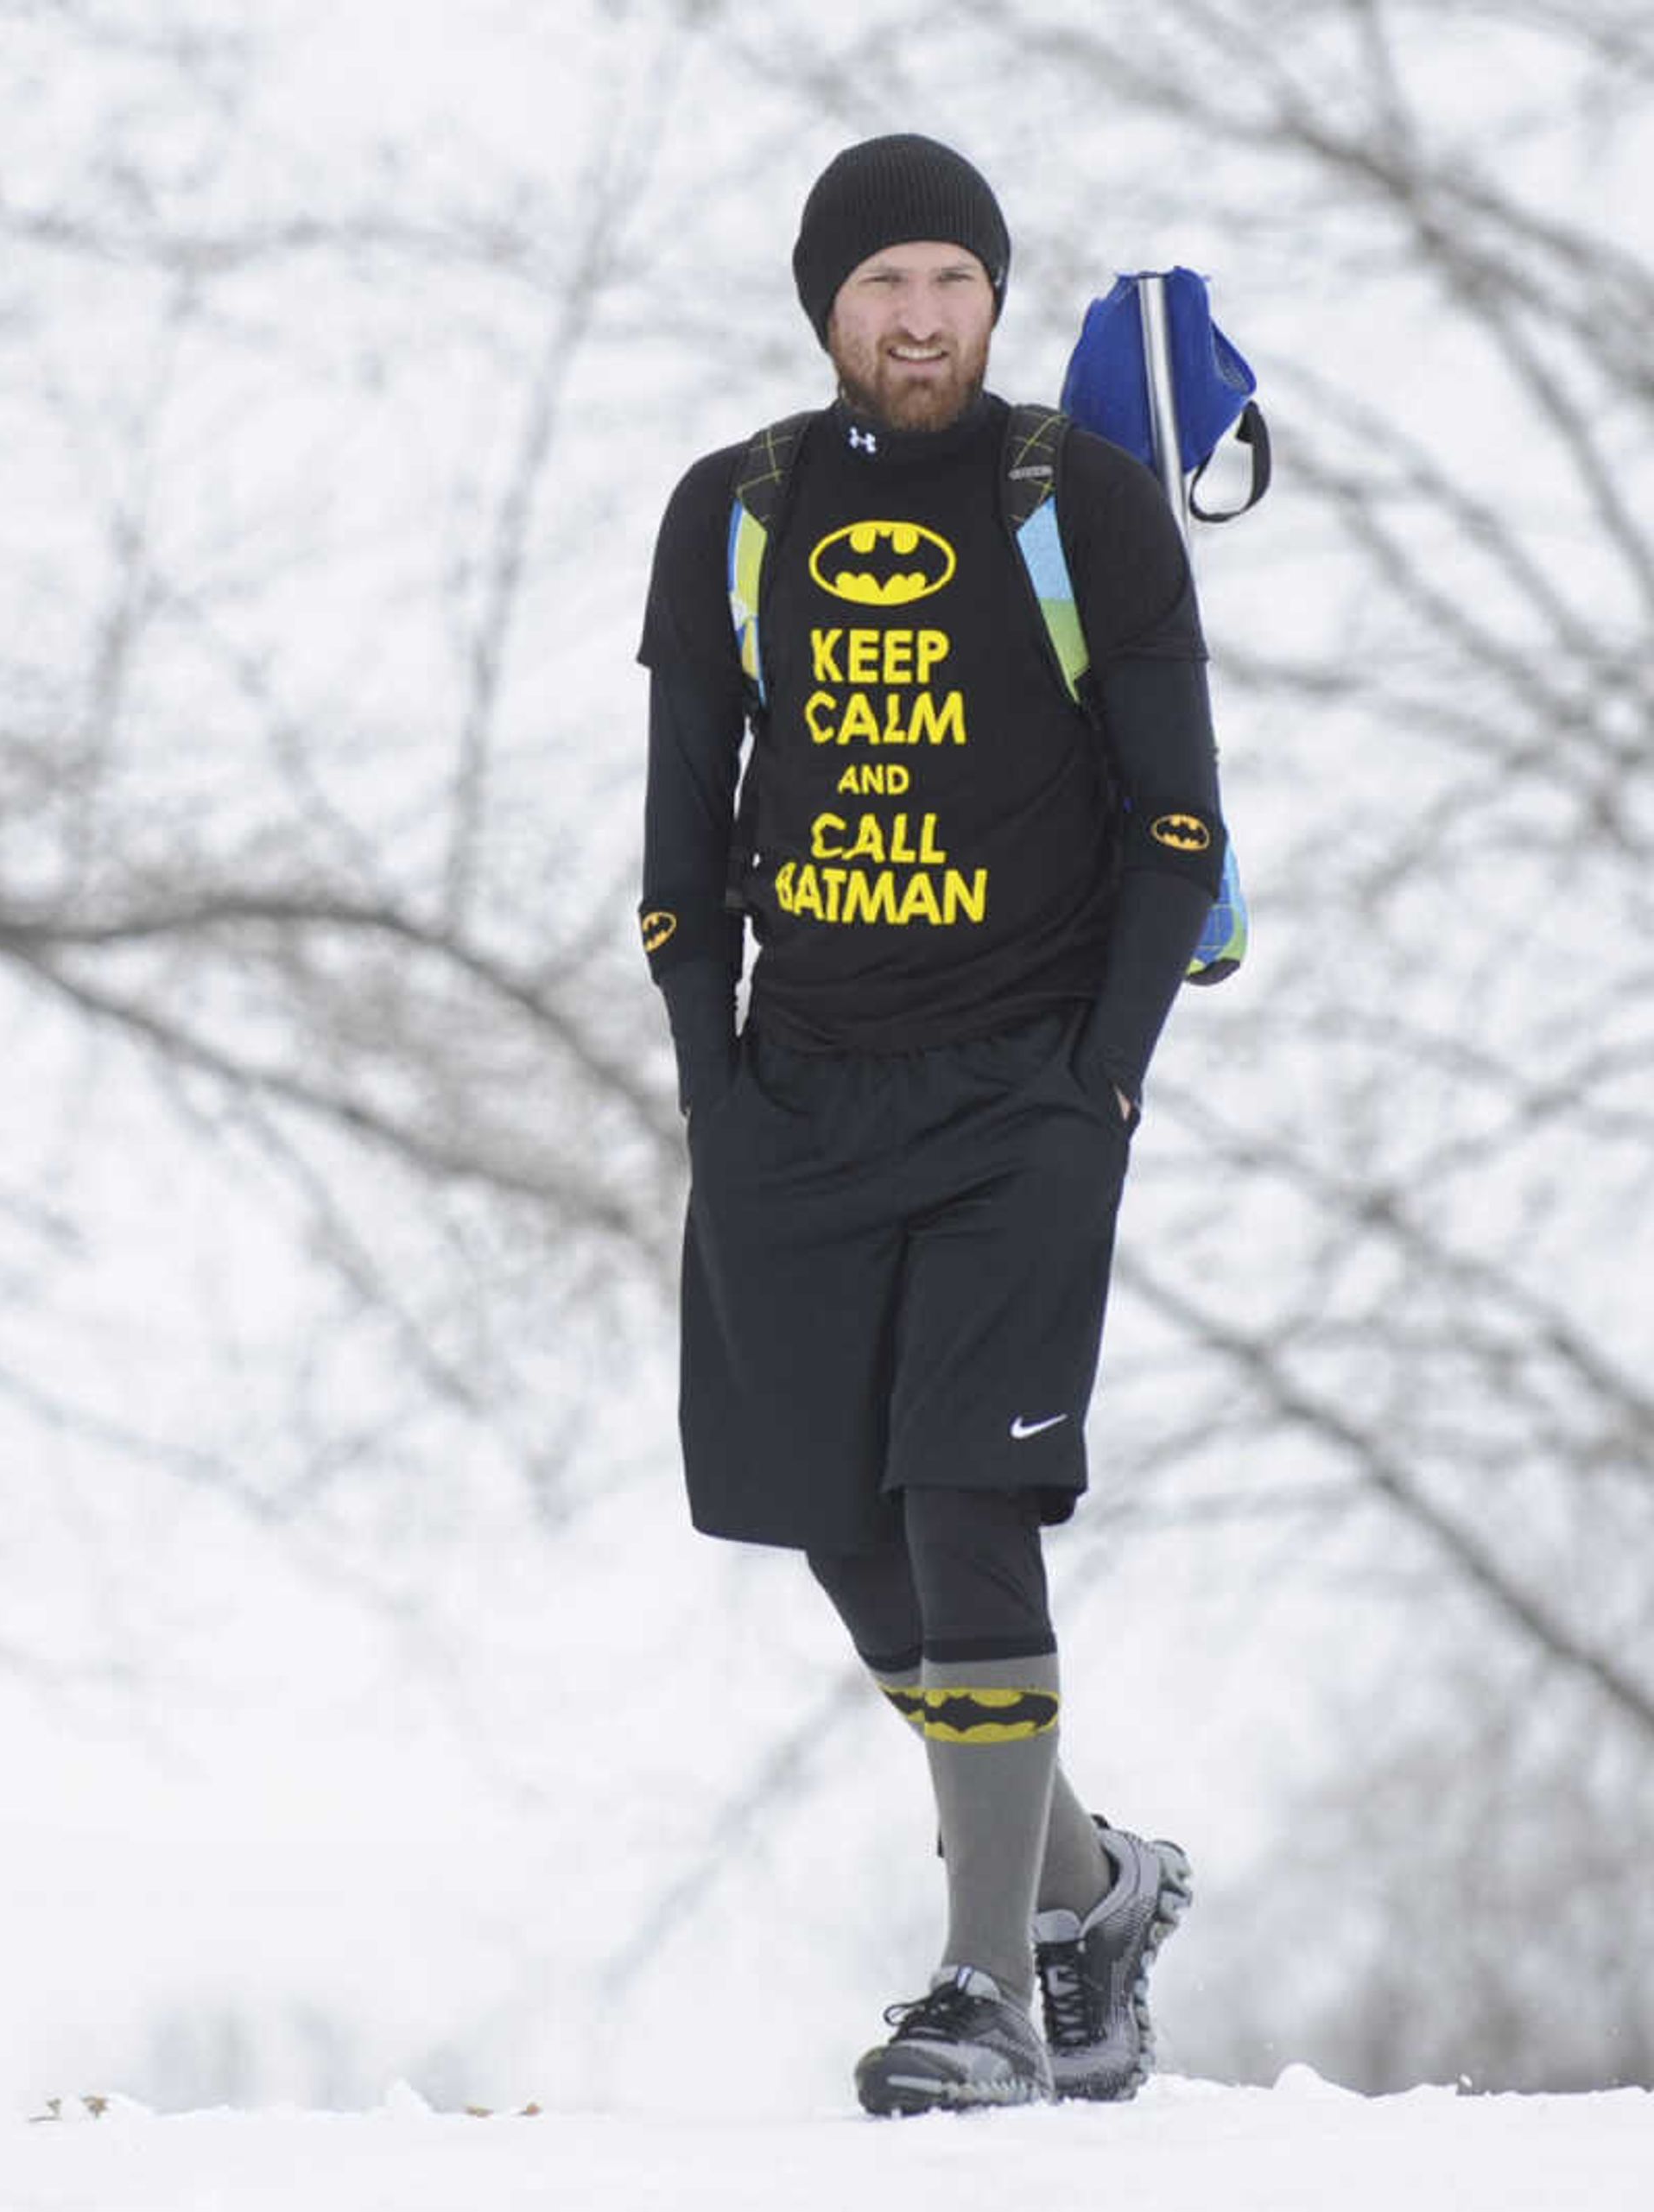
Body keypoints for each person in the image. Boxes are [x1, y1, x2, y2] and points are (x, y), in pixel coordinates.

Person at [631, 134, 1222, 2116]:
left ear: (993, 297)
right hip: (794, 1088)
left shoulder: (1087, 500)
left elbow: (1175, 817)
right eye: (884, 285)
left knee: (971, 1496)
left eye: (953, 283)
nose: (920, 319)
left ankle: (989, 1988)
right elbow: (680, 833)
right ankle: (1093, 1884)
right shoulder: (733, 511)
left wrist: (1103, 1081)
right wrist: (712, 1075)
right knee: (838, 1516)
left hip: (1022, 1090)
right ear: (826, 309)